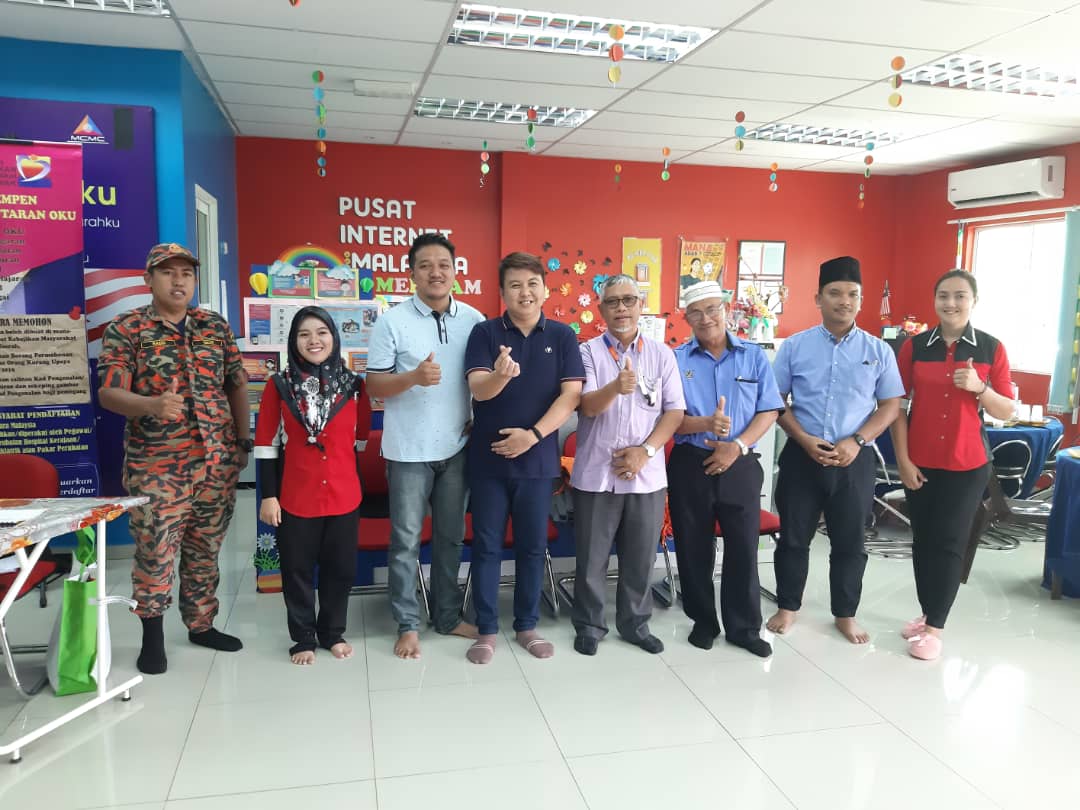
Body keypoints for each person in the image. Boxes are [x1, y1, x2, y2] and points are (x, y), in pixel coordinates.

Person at [98, 243, 250, 674]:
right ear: (149, 280)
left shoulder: (213, 326)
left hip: (216, 462)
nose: (179, 280)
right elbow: (109, 393)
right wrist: (150, 405)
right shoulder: (127, 328)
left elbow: (236, 384)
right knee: (156, 552)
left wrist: (242, 442)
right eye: (168, 272)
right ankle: (152, 638)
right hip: (157, 466)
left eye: (186, 273)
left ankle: (201, 625)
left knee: (205, 548)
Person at [767, 256, 904, 644]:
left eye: (853, 294)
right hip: (802, 456)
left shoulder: (878, 350)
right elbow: (776, 401)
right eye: (835, 293)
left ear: (860, 300)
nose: (844, 301)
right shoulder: (795, 347)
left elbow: (890, 406)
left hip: (854, 460)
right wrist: (803, 438)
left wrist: (857, 441)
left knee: (850, 542)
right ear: (818, 298)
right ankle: (787, 607)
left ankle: (845, 614)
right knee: (793, 538)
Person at [365, 234, 484, 659]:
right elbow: (374, 385)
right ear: (411, 272)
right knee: (406, 542)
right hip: (407, 453)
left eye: (443, 265)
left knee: (451, 538)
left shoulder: (474, 319)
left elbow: (481, 380)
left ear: (455, 270)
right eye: (426, 265)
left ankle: (447, 617)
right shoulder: (392, 322)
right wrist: (413, 378)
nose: (436, 273)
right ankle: (408, 624)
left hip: (457, 448)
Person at [463, 251, 584, 664]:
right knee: (486, 546)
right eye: (515, 285)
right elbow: (479, 390)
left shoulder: (563, 336)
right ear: (503, 292)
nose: (525, 292)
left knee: (533, 547)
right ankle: (486, 629)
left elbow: (571, 396)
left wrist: (532, 436)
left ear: (545, 290)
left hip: (538, 460)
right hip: (489, 461)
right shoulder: (484, 333)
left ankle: (527, 625)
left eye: (532, 284)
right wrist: (500, 374)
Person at [890, 270, 1014, 660]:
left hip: (967, 463)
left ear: (974, 301)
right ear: (935, 300)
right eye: (943, 295)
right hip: (920, 461)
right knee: (923, 540)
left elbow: (1006, 410)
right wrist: (903, 460)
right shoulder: (914, 347)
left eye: (960, 295)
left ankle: (935, 629)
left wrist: (980, 388)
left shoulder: (991, 348)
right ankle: (927, 612)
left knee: (949, 542)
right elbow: (897, 407)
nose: (951, 303)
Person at [571, 275, 685, 656]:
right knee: (592, 558)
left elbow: (674, 412)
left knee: (640, 558)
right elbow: (586, 407)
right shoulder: (587, 352)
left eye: (628, 300)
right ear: (601, 309)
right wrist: (615, 387)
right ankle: (589, 625)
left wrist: (645, 452)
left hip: (645, 476)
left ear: (640, 305)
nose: (621, 308)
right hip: (596, 474)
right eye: (613, 302)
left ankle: (635, 624)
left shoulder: (662, 354)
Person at [669, 282, 783, 656]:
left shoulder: (753, 356)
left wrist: (737, 445)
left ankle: (744, 628)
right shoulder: (675, 360)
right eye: (696, 312)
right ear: (687, 318)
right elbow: (667, 419)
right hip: (690, 462)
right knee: (692, 547)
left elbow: (769, 409)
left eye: (712, 309)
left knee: (744, 547)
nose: (706, 318)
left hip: (740, 461)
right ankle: (703, 622)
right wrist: (704, 423)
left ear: (726, 310)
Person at [254, 307, 371, 665]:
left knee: (341, 570)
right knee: (297, 570)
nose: (314, 340)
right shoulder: (279, 386)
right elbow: (266, 444)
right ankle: (303, 637)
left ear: (334, 337)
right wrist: (269, 495)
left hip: (343, 494)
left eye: (322, 332)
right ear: (294, 341)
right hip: (296, 495)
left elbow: (360, 440)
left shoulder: (354, 386)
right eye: (304, 334)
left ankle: (333, 633)